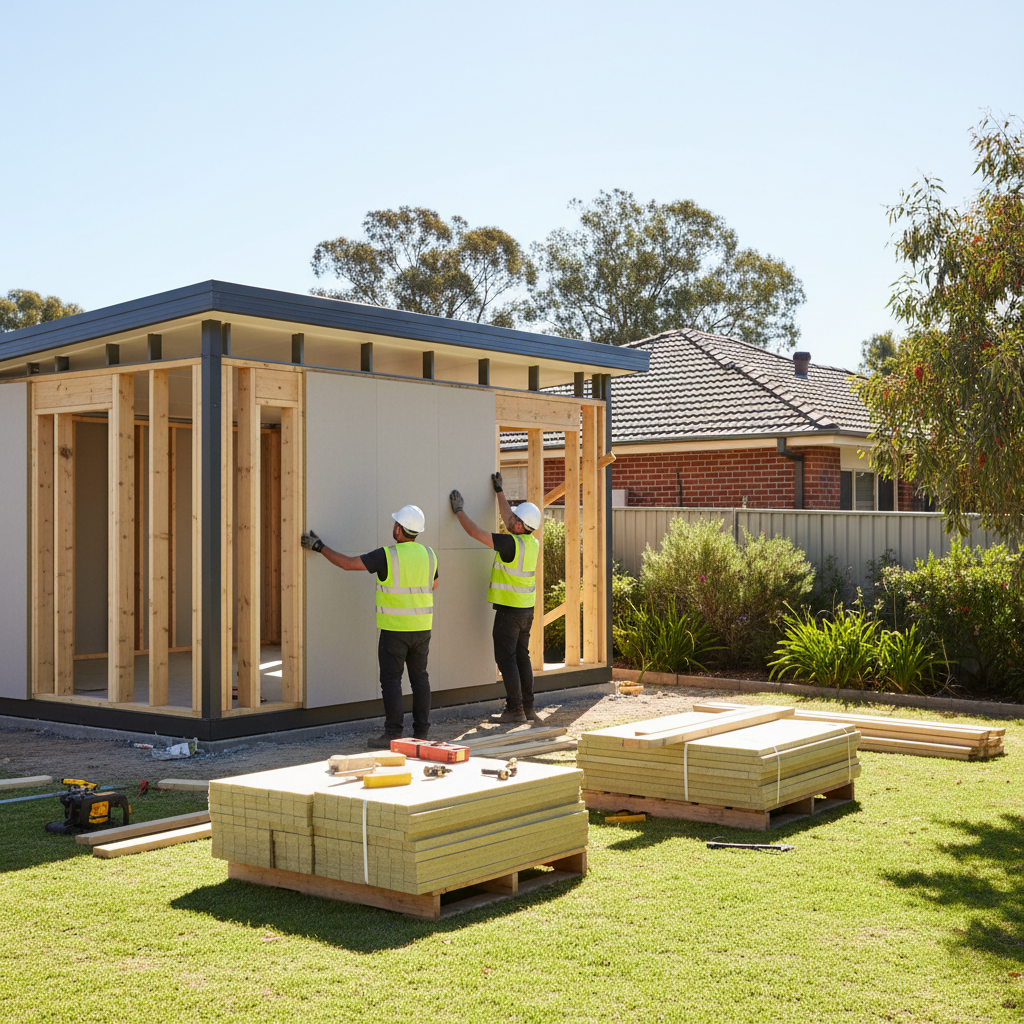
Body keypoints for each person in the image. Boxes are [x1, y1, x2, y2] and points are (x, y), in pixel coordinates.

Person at [301, 505, 438, 748]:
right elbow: (434, 584)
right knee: (420, 680)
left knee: (392, 681)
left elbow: (347, 564)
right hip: (422, 629)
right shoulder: (429, 554)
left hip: (395, 630)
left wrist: (319, 547)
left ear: (398, 528)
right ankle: (421, 734)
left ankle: (393, 734)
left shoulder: (388, 555)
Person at [449, 474, 543, 725]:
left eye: (515, 519)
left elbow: (474, 532)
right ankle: (529, 708)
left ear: (520, 526)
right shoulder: (530, 542)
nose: (510, 519)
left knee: (506, 659)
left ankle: (514, 709)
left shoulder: (509, 543)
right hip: (526, 611)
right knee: (522, 657)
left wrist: (459, 511)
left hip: (509, 613)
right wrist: (499, 490)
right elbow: (507, 517)